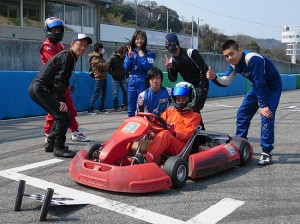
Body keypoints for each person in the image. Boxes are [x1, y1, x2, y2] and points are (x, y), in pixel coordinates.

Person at [206, 39, 282, 165]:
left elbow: (260, 82)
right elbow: (226, 81)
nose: (230, 58)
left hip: (272, 87)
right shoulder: (233, 65)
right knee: (242, 112)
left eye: (232, 54)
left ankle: (266, 151)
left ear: (239, 51)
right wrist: (214, 77)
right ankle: (241, 142)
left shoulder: (252, 59)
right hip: (258, 87)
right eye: (226, 56)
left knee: (266, 115)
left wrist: (263, 106)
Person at [29, 33, 93, 158]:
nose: (83, 48)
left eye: (85, 46)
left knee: (60, 115)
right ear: (72, 44)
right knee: (63, 116)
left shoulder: (71, 56)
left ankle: (51, 143)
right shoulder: (67, 56)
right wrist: (61, 99)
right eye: (80, 44)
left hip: (39, 89)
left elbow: (62, 79)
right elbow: (60, 79)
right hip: (40, 89)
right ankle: (59, 148)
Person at [41, 17, 90, 143]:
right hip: (52, 84)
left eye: (59, 30)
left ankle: (75, 131)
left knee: (70, 108)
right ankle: (48, 133)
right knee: (55, 109)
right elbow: (57, 65)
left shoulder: (61, 46)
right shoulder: (47, 47)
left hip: (62, 82)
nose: (57, 32)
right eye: (54, 30)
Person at [134, 82, 201, 164]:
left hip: (180, 147)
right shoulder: (170, 111)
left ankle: (146, 159)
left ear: (190, 99)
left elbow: (187, 135)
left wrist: (174, 133)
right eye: (178, 99)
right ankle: (126, 155)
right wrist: (153, 121)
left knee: (165, 134)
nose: (180, 102)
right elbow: (157, 124)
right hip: (165, 140)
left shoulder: (195, 116)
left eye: (183, 99)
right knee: (142, 130)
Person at [162, 33, 208, 130]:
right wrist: (170, 68)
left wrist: (203, 86)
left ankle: (200, 133)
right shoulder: (172, 60)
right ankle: (197, 131)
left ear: (176, 43)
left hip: (200, 84)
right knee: (187, 109)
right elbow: (173, 79)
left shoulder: (190, 53)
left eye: (170, 45)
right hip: (189, 88)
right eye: (166, 46)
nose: (169, 48)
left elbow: (203, 68)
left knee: (194, 109)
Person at [124, 30, 155, 117]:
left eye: (142, 39)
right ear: (134, 40)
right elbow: (126, 68)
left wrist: (142, 57)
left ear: (145, 40)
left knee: (142, 106)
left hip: (144, 81)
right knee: (131, 108)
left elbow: (149, 68)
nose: (139, 41)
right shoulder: (130, 52)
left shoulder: (150, 53)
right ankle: (131, 126)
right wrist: (130, 58)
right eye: (137, 39)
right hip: (132, 81)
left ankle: (144, 126)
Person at [88, 42, 109, 114]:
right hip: (99, 77)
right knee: (96, 93)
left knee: (104, 93)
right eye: (101, 48)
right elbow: (104, 66)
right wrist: (105, 65)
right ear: (98, 49)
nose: (103, 50)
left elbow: (106, 66)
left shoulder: (100, 57)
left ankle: (101, 108)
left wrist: (105, 66)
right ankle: (90, 109)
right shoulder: (94, 58)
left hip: (104, 76)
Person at [108, 45, 128, 112]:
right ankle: (116, 107)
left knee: (125, 92)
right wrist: (114, 74)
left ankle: (124, 105)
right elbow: (108, 68)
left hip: (123, 78)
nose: (122, 55)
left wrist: (127, 76)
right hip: (115, 79)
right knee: (115, 93)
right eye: (121, 54)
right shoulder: (113, 58)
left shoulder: (125, 58)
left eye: (123, 54)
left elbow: (127, 68)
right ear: (118, 52)